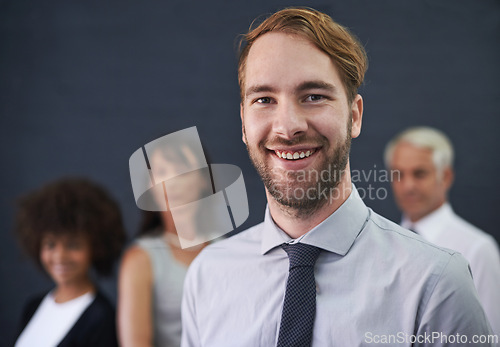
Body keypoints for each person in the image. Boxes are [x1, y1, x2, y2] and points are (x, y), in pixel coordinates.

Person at [181, 7, 495, 347]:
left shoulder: (435, 284)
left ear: (355, 116)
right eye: (264, 99)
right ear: (243, 122)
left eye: (314, 96)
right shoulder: (208, 277)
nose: (288, 127)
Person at [385, 126, 500, 335]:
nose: (408, 185)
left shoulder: (477, 249)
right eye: (398, 174)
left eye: (419, 174)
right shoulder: (384, 244)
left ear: (445, 176)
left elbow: (491, 334)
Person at [118, 140, 211, 347]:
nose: (172, 181)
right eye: (161, 172)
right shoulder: (141, 258)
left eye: (182, 170)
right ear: (150, 186)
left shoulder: (226, 248)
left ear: (204, 179)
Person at [14, 177, 126, 347]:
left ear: (96, 248)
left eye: (73, 245)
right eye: (50, 244)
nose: (60, 256)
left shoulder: (102, 319)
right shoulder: (33, 307)